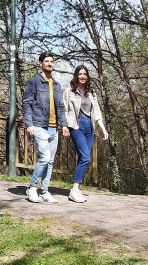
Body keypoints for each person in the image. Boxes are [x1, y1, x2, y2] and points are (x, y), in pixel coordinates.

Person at [22, 51, 70, 203]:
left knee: (50, 161)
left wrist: (64, 125)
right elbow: (27, 104)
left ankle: (44, 190)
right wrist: (29, 124)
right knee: (45, 157)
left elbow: (61, 107)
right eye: (47, 61)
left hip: (53, 127)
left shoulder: (56, 84)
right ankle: (31, 187)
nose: (50, 64)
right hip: (39, 125)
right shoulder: (34, 82)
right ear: (41, 64)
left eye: (52, 61)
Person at [63, 65, 108, 203]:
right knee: (86, 157)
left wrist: (103, 129)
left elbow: (97, 112)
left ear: (87, 76)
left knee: (83, 158)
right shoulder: (69, 91)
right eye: (80, 74)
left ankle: (76, 189)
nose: (82, 76)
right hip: (76, 126)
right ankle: (74, 190)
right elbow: (64, 109)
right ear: (76, 76)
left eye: (85, 74)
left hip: (90, 127)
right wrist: (64, 126)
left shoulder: (91, 92)